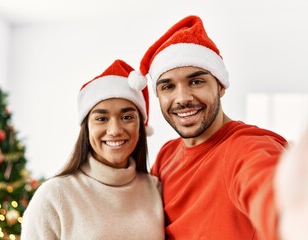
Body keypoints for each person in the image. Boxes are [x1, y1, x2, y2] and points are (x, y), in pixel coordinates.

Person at [127, 15, 308, 239]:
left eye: (196, 81)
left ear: (221, 86)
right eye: (168, 87)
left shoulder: (246, 149)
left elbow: (269, 192)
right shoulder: (166, 156)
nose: (182, 98)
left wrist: (293, 216)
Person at [21, 59, 165, 239]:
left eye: (127, 117)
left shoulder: (155, 188)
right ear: (87, 127)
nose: (115, 131)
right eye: (101, 119)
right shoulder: (54, 195)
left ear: (140, 126)